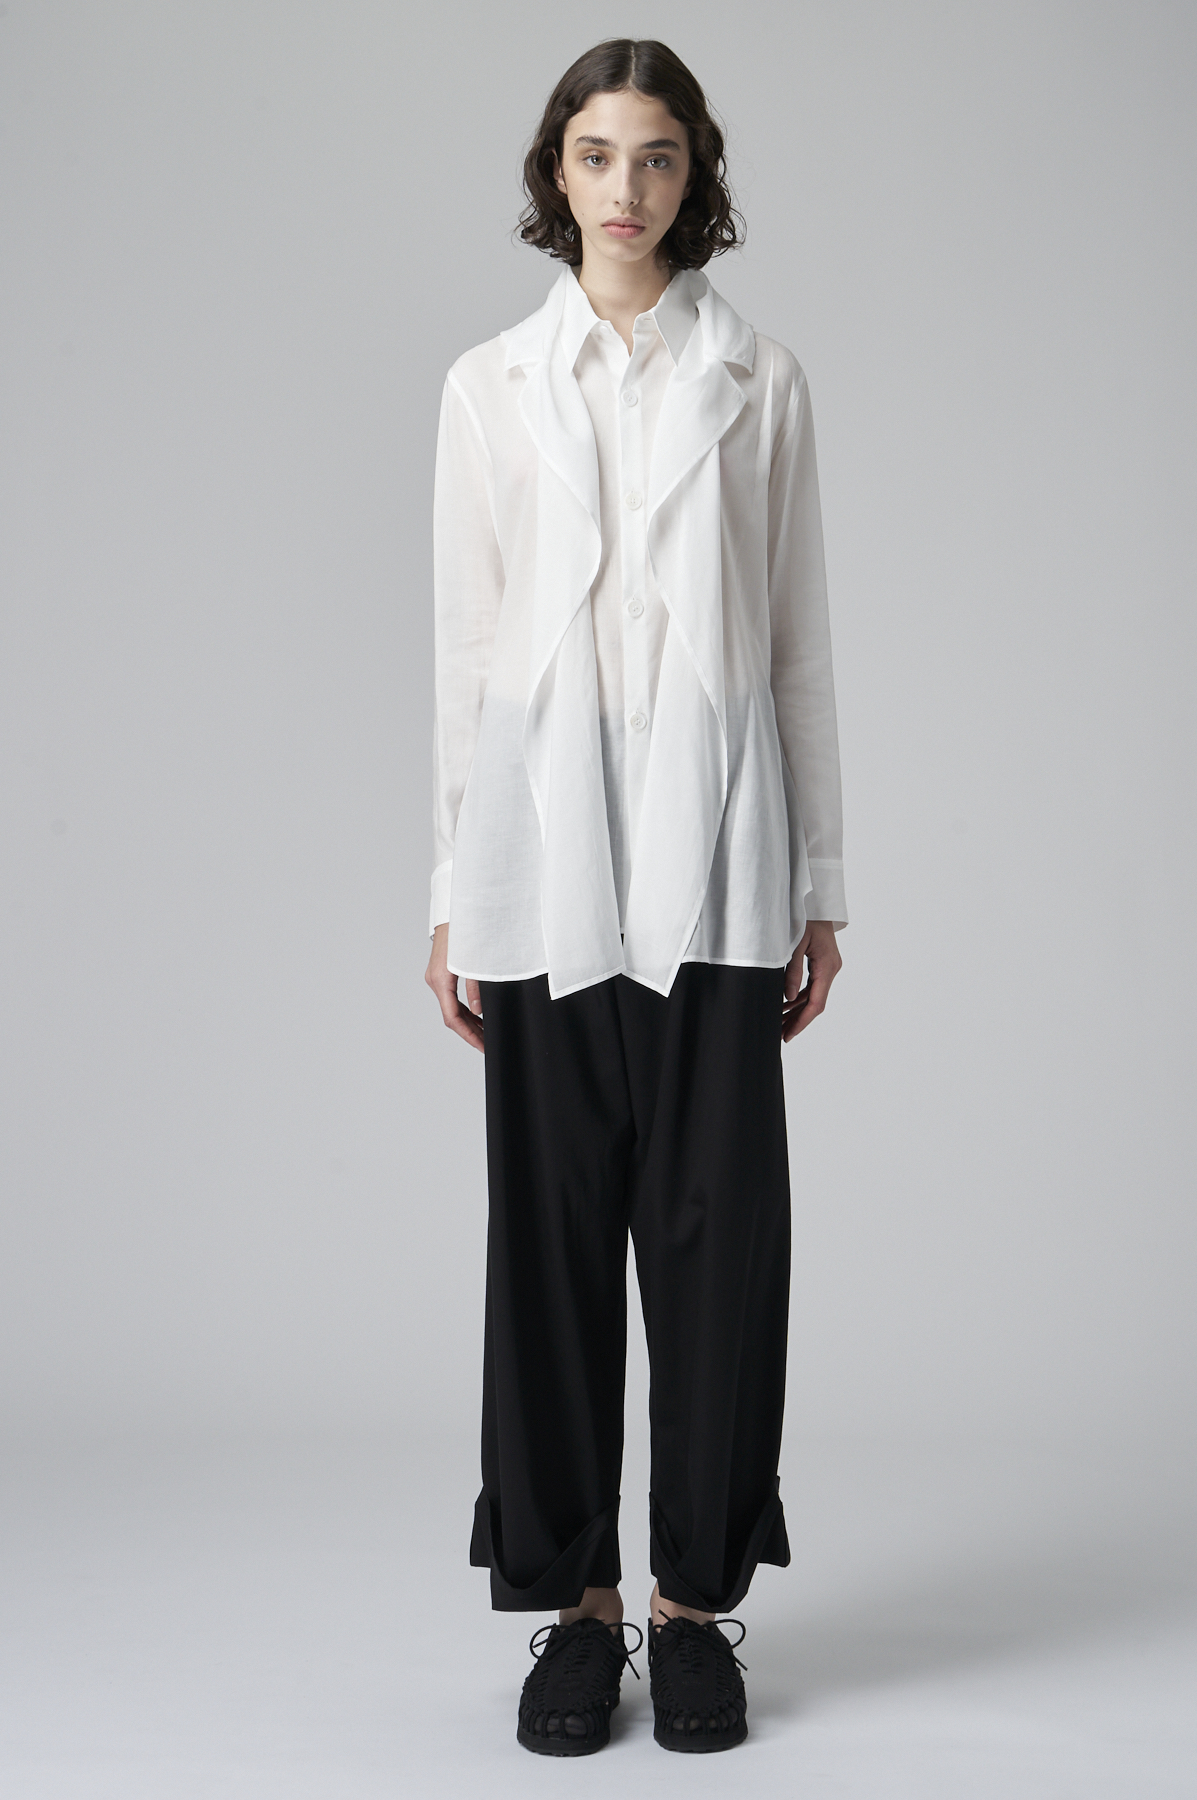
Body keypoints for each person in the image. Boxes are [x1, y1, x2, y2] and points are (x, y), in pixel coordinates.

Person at [425, 37, 847, 1756]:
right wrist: (451, 884)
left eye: (656, 156)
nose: (625, 188)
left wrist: (820, 881)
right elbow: (466, 648)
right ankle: (576, 1612)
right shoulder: (486, 388)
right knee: (548, 1244)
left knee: (716, 1243)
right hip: (541, 857)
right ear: (558, 172)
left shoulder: (762, 381)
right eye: (596, 155)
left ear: (694, 176)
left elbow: (798, 643)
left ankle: (693, 1610)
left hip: (718, 857)